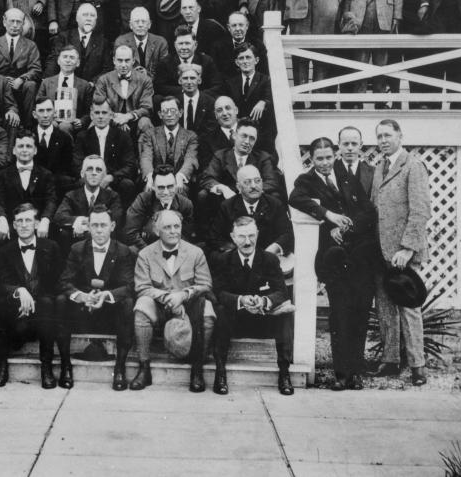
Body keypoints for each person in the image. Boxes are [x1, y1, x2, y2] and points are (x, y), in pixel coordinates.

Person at [289, 134, 377, 390]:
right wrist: (329, 219)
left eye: (329, 157)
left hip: (359, 255)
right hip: (334, 259)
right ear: (312, 159)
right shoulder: (306, 180)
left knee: (360, 312)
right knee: (339, 314)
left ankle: (356, 373)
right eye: (319, 158)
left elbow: (367, 211)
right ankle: (341, 374)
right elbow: (295, 198)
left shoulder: (346, 177)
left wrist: (348, 227)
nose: (325, 163)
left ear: (335, 156)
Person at [371, 119, 431, 386]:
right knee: (385, 309)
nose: (383, 140)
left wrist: (407, 248)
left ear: (399, 136)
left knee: (409, 308)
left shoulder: (413, 166)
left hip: (403, 253)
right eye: (380, 136)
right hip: (380, 251)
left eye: (388, 135)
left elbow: (420, 211)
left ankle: (418, 366)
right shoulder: (378, 168)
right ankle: (390, 361)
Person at [131, 210, 215, 393]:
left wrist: (183, 295)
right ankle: (144, 367)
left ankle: (197, 368)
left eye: (176, 226)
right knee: (141, 306)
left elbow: (205, 284)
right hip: (160, 306)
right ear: (156, 230)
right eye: (167, 227)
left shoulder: (195, 253)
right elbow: (142, 287)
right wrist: (166, 297)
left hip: (188, 306)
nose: (173, 231)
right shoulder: (145, 254)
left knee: (208, 311)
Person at [212, 216, 295, 396]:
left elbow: (282, 292)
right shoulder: (223, 260)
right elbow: (218, 292)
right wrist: (241, 300)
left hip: (263, 320)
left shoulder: (270, 260)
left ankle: (284, 373)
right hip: (235, 322)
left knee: (285, 314)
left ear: (257, 234)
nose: (247, 242)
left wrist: (264, 301)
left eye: (251, 235)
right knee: (220, 310)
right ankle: (220, 373)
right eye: (242, 237)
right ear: (233, 237)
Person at [58, 206, 136, 390]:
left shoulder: (123, 251)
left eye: (103, 225)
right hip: (83, 312)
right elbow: (64, 281)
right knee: (61, 301)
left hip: (110, 312)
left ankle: (119, 368)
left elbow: (130, 286)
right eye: (94, 225)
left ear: (112, 226)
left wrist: (107, 295)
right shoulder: (77, 249)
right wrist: (81, 296)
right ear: (88, 227)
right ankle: (65, 366)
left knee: (128, 303)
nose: (99, 230)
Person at [0, 202, 65, 388]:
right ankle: (2, 366)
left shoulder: (51, 247)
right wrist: (19, 290)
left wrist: (35, 299)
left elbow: (57, 281)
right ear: (14, 225)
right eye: (19, 221)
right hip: (16, 308)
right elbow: (1, 283)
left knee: (48, 303)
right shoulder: (4, 251)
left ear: (36, 223)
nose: (24, 225)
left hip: (43, 307)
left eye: (28, 220)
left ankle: (46, 368)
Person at [0, 130, 58, 242]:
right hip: (13, 226)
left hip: (38, 225)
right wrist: (2, 221)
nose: (25, 150)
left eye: (29, 146)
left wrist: (45, 221)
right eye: (20, 146)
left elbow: (51, 200)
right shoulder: (3, 175)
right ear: (13, 150)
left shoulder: (46, 174)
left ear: (35, 150)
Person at [211, 164, 293, 255]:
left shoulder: (274, 204)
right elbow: (215, 238)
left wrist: (274, 248)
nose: (254, 186)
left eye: (257, 181)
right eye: (247, 182)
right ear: (238, 187)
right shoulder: (227, 206)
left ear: (262, 183)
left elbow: (287, 233)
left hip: (269, 257)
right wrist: (239, 253)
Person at [72, 96, 138, 208]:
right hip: (90, 179)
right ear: (91, 115)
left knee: (127, 185)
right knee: (78, 183)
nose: (101, 116)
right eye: (97, 113)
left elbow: (130, 165)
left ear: (111, 115)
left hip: (114, 180)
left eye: (104, 112)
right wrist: (94, 179)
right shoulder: (83, 137)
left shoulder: (122, 137)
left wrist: (111, 178)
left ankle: (121, 220)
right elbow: (77, 164)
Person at [53, 156, 124, 249]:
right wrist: (77, 220)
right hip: (76, 245)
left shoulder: (112, 196)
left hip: (102, 243)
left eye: (98, 170)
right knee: (63, 233)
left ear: (104, 175)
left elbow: (116, 219)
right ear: (82, 174)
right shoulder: (72, 195)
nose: (94, 173)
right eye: (89, 169)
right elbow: (59, 216)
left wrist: (86, 224)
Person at [0, 8, 42, 125]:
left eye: (19, 22)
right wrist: (2, 81)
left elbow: (36, 69)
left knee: (31, 85)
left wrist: (21, 79)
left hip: (21, 87)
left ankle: (27, 127)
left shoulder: (30, 45)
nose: (15, 25)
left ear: (23, 24)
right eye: (12, 21)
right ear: (4, 22)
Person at [123, 165, 195, 250]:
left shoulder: (185, 204)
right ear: (153, 186)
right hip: (148, 248)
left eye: (170, 186)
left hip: (174, 250)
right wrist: (150, 253)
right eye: (161, 187)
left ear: (176, 185)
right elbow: (131, 233)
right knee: (132, 249)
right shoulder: (142, 200)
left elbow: (186, 237)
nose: (166, 192)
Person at [222, 43, 275, 154]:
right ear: (237, 62)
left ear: (256, 60)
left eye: (248, 57)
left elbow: (271, 97)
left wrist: (263, 102)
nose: (245, 61)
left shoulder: (266, 80)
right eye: (241, 58)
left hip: (260, 136)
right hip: (238, 135)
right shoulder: (230, 83)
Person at [138, 97, 198, 191]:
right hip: (155, 183)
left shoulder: (190, 136)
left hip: (178, 184)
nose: (169, 114)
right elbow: (146, 157)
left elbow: (190, 160)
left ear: (180, 113)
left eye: (173, 111)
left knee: (181, 193)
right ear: (160, 115)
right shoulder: (150, 134)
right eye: (165, 111)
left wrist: (180, 176)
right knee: (147, 192)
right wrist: (150, 177)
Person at [93, 45, 155, 136]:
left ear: (133, 61)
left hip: (135, 121)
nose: (123, 65)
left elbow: (147, 108)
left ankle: (145, 150)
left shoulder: (145, 80)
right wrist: (117, 119)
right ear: (114, 60)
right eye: (119, 60)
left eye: (127, 60)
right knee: (94, 124)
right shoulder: (103, 80)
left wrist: (128, 117)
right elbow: (98, 106)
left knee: (145, 123)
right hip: (110, 120)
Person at [44, 3, 112, 83]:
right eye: (85, 15)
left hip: (91, 89)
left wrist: (93, 83)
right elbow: (53, 61)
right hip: (66, 85)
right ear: (77, 18)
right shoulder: (64, 37)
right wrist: (48, 82)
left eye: (92, 16)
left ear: (96, 21)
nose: (89, 19)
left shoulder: (103, 42)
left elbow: (107, 69)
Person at [36, 48, 93, 136]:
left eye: (72, 58)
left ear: (78, 63)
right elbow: (37, 105)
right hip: (50, 120)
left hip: (72, 125)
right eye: (65, 57)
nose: (68, 60)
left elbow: (89, 110)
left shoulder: (85, 85)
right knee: (52, 125)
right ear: (58, 61)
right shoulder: (46, 82)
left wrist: (82, 121)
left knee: (64, 126)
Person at [31, 97, 78, 194]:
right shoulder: (27, 137)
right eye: (41, 111)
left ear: (55, 113)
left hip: (57, 188)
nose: (45, 115)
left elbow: (68, 167)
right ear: (34, 115)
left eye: (49, 110)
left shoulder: (64, 138)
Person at [113, 7, 170, 83]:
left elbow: (164, 72)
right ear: (130, 25)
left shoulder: (160, 43)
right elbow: (117, 69)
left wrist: (147, 75)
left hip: (155, 86)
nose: (140, 25)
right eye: (136, 22)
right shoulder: (121, 42)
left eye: (144, 22)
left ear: (149, 24)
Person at [178, 63, 216, 136]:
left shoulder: (210, 102)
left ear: (199, 80)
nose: (189, 82)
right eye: (185, 78)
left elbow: (211, 128)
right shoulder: (175, 102)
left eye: (193, 78)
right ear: (180, 81)